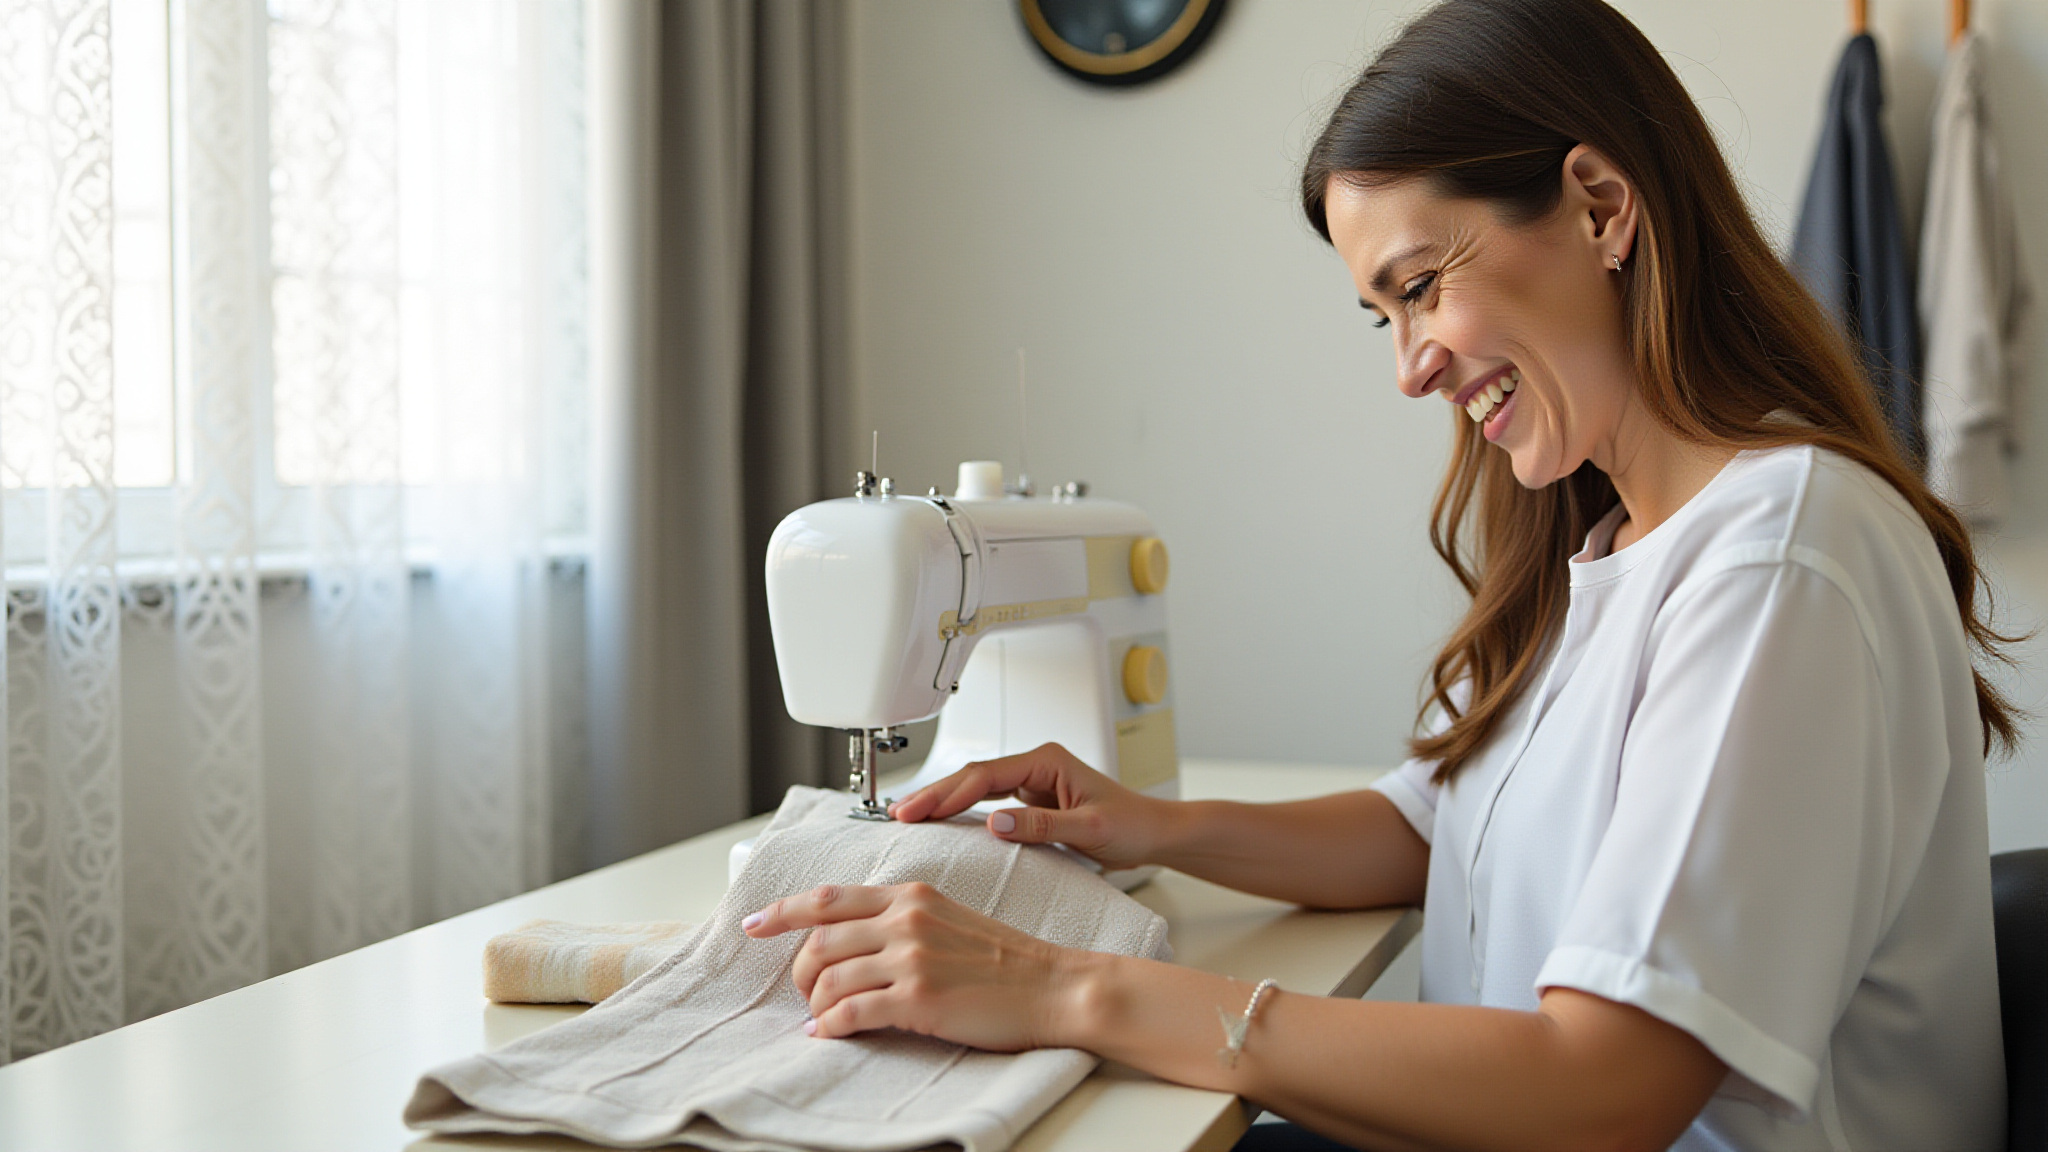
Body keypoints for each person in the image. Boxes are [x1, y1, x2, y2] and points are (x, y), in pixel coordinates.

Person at [741, 0, 2015, 1146]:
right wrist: (1142, 824)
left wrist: (1065, 987)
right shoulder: (1618, 540)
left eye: (1418, 289)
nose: (1407, 367)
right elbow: (1436, 820)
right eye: (1382, 315)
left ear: (1600, 206)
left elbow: (1605, 1086)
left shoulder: (1778, 559)